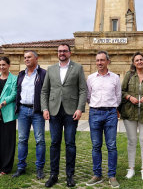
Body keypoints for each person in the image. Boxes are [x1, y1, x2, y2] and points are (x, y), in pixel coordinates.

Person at [41, 43, 87, 187]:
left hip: (71, 111)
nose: (62, 53)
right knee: (54, 143)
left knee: (70, 143)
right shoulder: (51, 69)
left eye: (65, 51)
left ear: (69, 53)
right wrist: (45, 108)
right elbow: (45, 91)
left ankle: (70, 175)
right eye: (60, 51)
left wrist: (80, 108)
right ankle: (54, 175)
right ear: (58, 53)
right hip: (54, 110)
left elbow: (83, 90)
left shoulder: (78, 68)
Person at [120, 52, 143, 181]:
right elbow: (121, 92)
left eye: (141, 59)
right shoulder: (129, 76)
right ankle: (131, 168)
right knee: (132, 141)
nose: (139, 61)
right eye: (137, 60)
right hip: (130, 113)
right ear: (133, 63)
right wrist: (129, 97)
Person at [85, 51, 121, 188]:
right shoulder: (91, 78)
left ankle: (112, 176)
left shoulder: (115, 78)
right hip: (94, 113)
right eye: (97, 60)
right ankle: (97, 175)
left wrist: (112, 108)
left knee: (111, 146)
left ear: (108, 62)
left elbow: (118, 96)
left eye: (102, 60)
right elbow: (88, 96)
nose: (99, 62)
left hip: (110, 114)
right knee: (96, 145)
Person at [12, 50, 47, 179]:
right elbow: (17, 91)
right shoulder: (21, 74)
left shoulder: (43, 74)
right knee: (22, 139)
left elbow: (46, 92)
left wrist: (45, 109)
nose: (26, 59)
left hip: (37, 111)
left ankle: (39, 168)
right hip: (22, 110)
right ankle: (21, 167)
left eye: (29, 57)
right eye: (25, 57)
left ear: (36, 58)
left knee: (40, 140)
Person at [0, 56, 18, 176]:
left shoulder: (15, 79)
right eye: (0, 65)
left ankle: (6, 167)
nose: (2, 67)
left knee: (8, 141)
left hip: (8, 113)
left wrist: (0, 106)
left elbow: (14, 94)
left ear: (9, 65)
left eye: (4, 65)